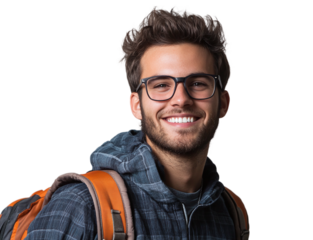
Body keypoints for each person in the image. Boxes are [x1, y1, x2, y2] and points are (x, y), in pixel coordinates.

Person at [26, 5, 236, 240]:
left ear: (224, 103)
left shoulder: (232, 213)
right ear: (136, 105)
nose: (180, 99)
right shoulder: (80, 206)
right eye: (161, 85)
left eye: (198, 83)